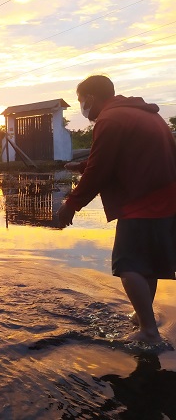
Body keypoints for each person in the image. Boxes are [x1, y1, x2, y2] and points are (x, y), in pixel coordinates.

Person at [58, 75, 176, 344]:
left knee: (127, 264)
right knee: (147, 265)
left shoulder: (110, 120)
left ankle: (148, 332)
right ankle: (142, 315)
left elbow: (101, 170)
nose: (81, 107)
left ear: (90, 97)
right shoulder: (142, 114)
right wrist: (83, 166)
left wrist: (71, 205)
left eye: (80, 101)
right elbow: (124, 156)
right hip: (166, 199)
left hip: (143, 201)